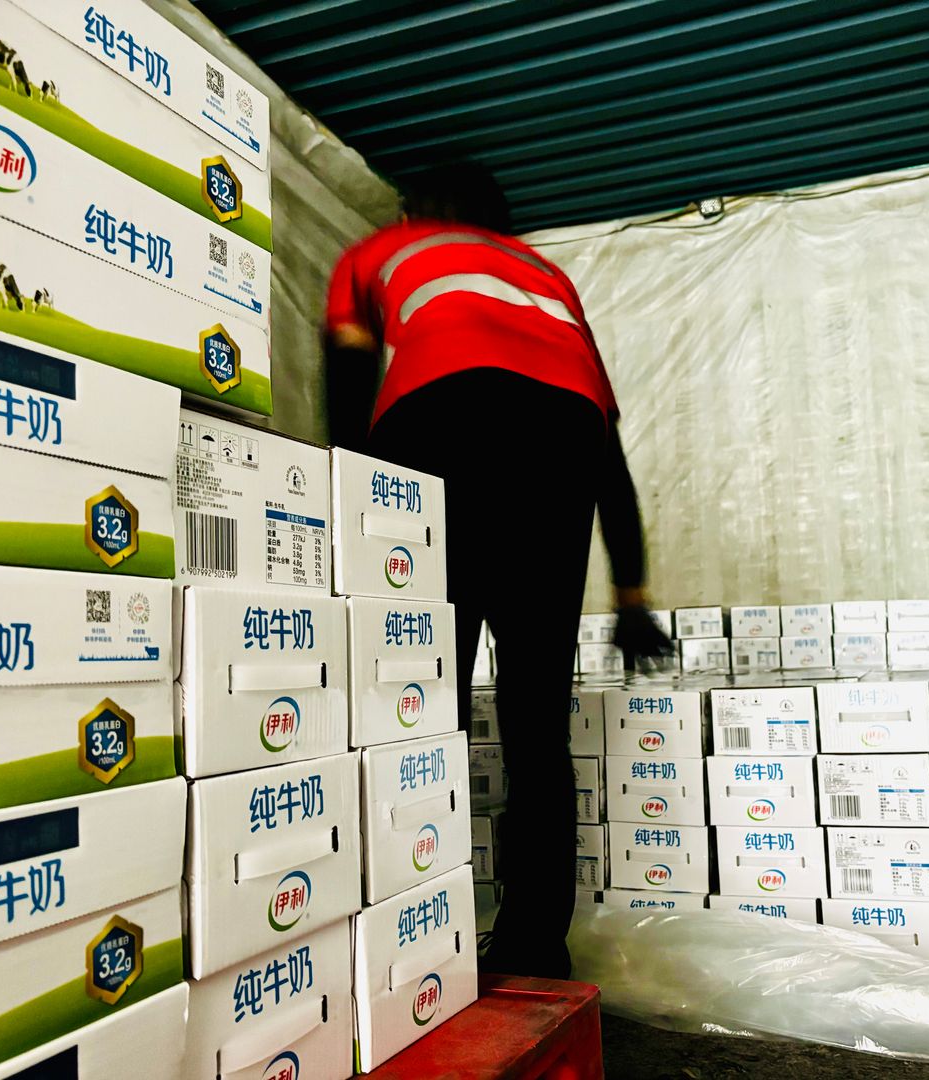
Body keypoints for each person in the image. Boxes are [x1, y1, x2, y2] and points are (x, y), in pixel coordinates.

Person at [324, 163, 673, 978]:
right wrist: (631, 593)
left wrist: (349, 524)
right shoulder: (546, 276)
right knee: (536, 722)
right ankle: (535, 948)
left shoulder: (377, 253)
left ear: (413, 212)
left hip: (439, 415)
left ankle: (416, 936)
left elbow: (348, 387)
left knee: (422, 700)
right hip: (563, 440)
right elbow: (603, 443)